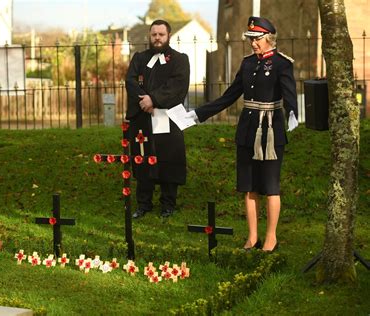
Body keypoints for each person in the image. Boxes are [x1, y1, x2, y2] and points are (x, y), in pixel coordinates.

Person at [186, 16, 298, 251]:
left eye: (257, 39)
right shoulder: (247, 64)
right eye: (250, 39)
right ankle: (253, 236)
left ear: (268, 38)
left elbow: (289, 94)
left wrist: (293, 113)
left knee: (270, 186)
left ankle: (271, 237)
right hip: (247, 130)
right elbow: (230, 95)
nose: (253, 43)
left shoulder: (282, 64)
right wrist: (198, 114)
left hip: (271, 131)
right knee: (249, 186)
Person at [125, 19, 190, 218]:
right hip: (143, 118)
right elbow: (131, 80)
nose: (157, 38)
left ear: (168, 35)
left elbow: (178, 87)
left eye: (161, 34)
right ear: (150, 35)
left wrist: (153, 99)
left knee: (168, 160)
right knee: (143, 159)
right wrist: (143, 101)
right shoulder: (139, 58)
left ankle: (168, 204)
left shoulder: (180, 60)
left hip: (168, 118)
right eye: (154, 34)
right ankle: (143, 204)